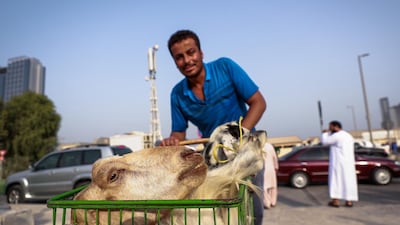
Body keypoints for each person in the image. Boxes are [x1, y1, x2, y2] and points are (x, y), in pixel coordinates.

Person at [161, 29, 267, 225]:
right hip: (214, 157)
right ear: (175, 62)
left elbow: (258, 102)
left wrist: (237, 136)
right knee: (220, 212)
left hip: (246, 150)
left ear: (201, 53)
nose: (187, 60)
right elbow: (179, 133)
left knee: (252, 210)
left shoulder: (225, 67)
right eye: (179, 57)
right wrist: (172, 141)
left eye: (191, 52)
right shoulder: (177, 94)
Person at [321, 120, 358, 207]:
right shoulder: (348, 135)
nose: (329, 129)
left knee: (336, 180)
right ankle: (349, 201)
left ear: (335, 126)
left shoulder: (337, 136)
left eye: (330, 127)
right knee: (348, 181)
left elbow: (325, 142)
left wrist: (325, 133)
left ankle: (335, 201)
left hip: (338, 163)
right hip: (348, 163)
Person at [263, 142, 279, 209]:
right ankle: (273, 202)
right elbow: (274, 157)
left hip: (263, 170)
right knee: (273, 186)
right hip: (271, 168)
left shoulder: (258, 145)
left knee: (264, 187)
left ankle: (267, 203)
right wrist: (276, 167)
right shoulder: (269, 145)